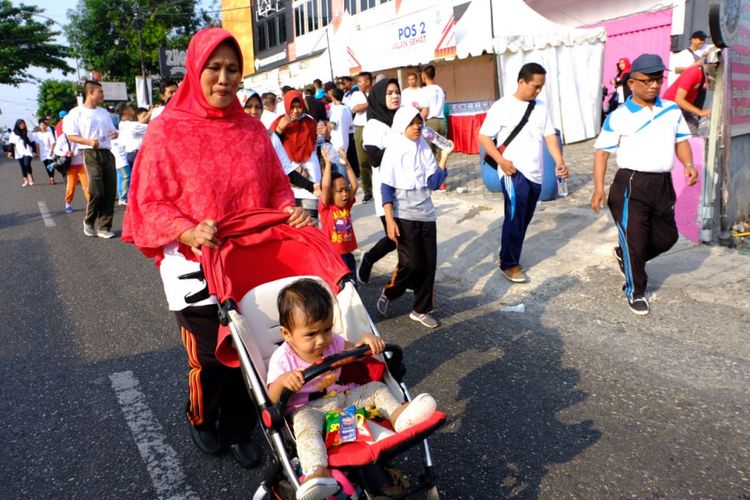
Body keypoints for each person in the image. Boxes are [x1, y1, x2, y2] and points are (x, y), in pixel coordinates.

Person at [122, 28, 311, 469]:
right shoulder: (166, 130)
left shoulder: (252, 132)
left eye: (232, 70)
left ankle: (240, 428)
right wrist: (185, 230)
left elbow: (277, 190)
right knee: (210, 358)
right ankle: (201, 416)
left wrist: (291, 212)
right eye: (215, 68)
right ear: (195, 69)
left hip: (248, 262)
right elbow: (147, 201)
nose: (224, 79)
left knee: (249, 349)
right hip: (191, 267)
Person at [267, 278, 438, 500]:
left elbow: (353, 350)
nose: (321, 340)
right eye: (311, 334)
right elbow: (270, 399)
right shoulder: (282, 360)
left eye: (327, 329)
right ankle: (317, 473)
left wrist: (365, 341)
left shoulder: (333, 342)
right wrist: (283, 382)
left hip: (343, 397)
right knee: (305, 428)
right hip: (309, 409)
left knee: (375, 388)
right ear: (287, 334)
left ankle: (399, 415)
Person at [591, 53, 697, 315]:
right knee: (635, 240)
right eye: (647, 80)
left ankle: (626, 255)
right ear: (632, 83)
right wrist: (598, 189)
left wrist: (688, 164)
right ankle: (635, 291)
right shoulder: (618, 115)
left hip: (662, 183)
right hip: (630, 184)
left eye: (657, 80)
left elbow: (681, 140)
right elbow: (601, 153)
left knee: (667, 237)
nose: (653, 85)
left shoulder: (671, 110)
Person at [477, 62, 569, 284]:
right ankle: (509, 263)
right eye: (534, 86)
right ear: (521, 82)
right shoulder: (502, 106)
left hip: (536, 173)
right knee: (515, 216)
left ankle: (508, 255)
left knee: (524, 218)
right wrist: (502, 162)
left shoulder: (541, 106)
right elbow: (484, 137)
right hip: (512, 170)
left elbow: (549, 136)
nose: (538, 91)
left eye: (541, 87)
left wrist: (559, 161)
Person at [376, 106, 452, 329]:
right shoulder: (393, 149)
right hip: (403, 213)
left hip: (426, 213)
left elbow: (434, 183)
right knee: (411, 263)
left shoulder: (424, 148)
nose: (417, 127)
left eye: (419, 122)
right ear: (402, 125)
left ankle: (421, 309)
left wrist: (445, 156)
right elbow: (386, 188)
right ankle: (391, 292)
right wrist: (390, 220)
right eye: (412, 123)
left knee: (428, 265)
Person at [357, 78, 401, 284]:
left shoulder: (401, 119)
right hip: (387, 191)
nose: (395, 96)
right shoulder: (374, 126)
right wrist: (401, 144)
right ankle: (370, 258)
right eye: (389, 93)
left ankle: (404, 278)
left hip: (406, 189)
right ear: (379, 97)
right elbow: (374, 158)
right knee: (397, 238)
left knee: (402, 239)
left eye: (397, 92)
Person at [64, 80, 119, 239]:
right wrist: (88, 141)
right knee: (96, 190)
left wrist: (114, 134)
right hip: (90, 153)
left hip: (107, 153)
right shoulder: (76, 113)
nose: (103, 95)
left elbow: (112, 130)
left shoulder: (103, 112)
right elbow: (71, 135)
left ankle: (104, 227)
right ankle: (89, 220)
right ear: (90, 93)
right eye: (100, 92)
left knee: (110, 191)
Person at [271, 90, 322, 222]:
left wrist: (325, 133)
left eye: (298, 106)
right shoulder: (278, 121)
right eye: (292, 107)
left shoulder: (310, 122)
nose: (295, 111)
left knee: (311, 219)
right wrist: (280, 130)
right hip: (290, 174)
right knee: (295, 220)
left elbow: (316, 144)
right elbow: (272, 148)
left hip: (310, 172)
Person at [319, 145, 358, 280]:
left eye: (346, 190)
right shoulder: (327, 208)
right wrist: (328, 164)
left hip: (348, 255)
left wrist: (346, 164)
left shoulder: (346, 206)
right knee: (340, 289)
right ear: (330, 194)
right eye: (339, 191)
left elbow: (355, 185)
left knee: (352, 287)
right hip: (334, 256)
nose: (345, 194)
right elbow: (325, 186)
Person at [662, 48, 717, 135]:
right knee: (672, 137)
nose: (715, 69)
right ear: (705, 64)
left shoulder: (709, 78)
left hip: (687, 109)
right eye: (713, 65)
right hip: (671, 108)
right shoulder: (693, 73)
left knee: (692, 137)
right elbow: (678, 100)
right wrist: (700, 112)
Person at [53, 126, 89, 213]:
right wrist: (65, 153)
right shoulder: (62, 137)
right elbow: (56, 150)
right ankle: (68, 203)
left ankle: (90, 204)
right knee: (71, 186)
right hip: (71, 165)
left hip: (82, 164)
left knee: (87, 186)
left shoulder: (80, 135)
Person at [349, 72, 372, 202]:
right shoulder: (356, 94)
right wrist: (370, 103)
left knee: (378, 159)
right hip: (360, 128)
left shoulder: (375, 93)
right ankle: (368, 191)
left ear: (368, 82)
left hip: (373, 127)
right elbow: (355, 109)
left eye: (360, 81)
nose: (358, 84)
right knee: (363, 162)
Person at [325, 88, 352, 175]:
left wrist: (325, 123)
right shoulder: (347, 108)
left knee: (340, 169)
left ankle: (345, 186)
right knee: (345, 166)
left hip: (337, 143)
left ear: (333, 97)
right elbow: (350, 125)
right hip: (345, 141)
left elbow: (333, 125)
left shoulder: (337, 109)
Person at [8, 119, 36, 186]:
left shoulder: (28, 132)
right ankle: (25, 181)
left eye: (23, 123)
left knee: (27, 164)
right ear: (17, 125)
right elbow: (12, 144)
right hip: (19, 151)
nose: (22, 125)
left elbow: (32, 142)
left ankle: (30, 176)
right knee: (22, 166)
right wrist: (10, 152)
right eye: (20, 124)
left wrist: (35, 151)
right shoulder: (13, 133)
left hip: (28, 150)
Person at [35, 120, 58, 184]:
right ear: (39, 126)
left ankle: (52, 178)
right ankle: (50, 177)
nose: (43, 126)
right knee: (46, 166)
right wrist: (37, 152)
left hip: (49, 151)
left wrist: (51, 151)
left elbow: (53, 143)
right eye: (41, 125)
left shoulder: (49, 133)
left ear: (46, 126)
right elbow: (37, 144)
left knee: (50, 165)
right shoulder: (38, 134)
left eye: (44, 125)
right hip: (42, 152)